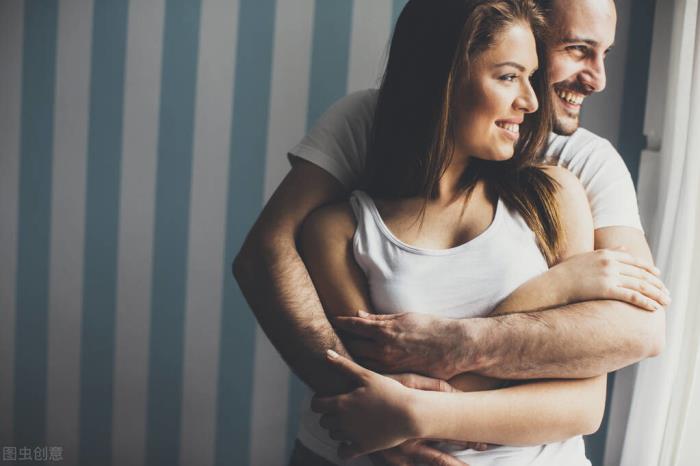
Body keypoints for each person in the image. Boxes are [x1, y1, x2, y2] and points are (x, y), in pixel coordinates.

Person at [233, 0, 667, 464]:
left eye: (604, 53)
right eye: (577, 49)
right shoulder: (347, 193)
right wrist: (390, 432)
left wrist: (436, 381)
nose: (597, 78)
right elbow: (268, 255)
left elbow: (632, 340)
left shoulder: (565, 185)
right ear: (444, 76)